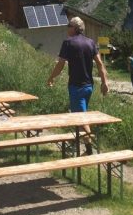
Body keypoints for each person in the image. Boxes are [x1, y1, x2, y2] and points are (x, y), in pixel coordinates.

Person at [47, 17, 109, 150]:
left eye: (68, 25)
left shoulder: (68, 43)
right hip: (88, 87)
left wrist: (51, 77)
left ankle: (90, 146)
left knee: (80, 118)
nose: (67, 27)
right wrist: (104, 82)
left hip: (76, 87)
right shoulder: (91, 43)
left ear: (74, 28)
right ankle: (79, 142)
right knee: (80, 115)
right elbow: (100, 64)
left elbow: (60, 64)